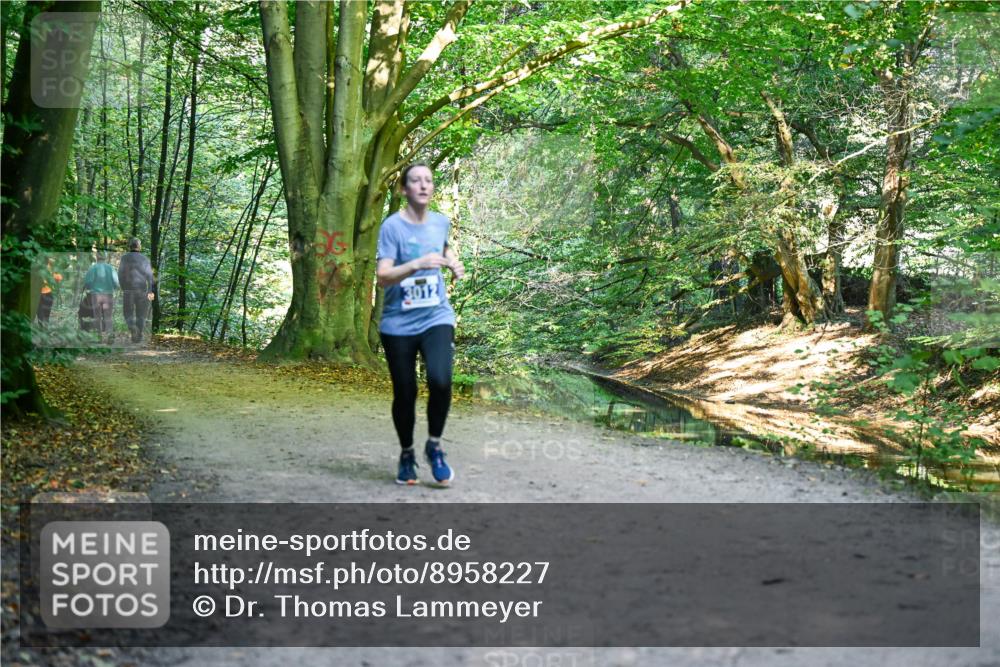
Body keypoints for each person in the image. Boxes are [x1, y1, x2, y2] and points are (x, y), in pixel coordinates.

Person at [375, 162, 465, 486]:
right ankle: (407, 452)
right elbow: (383, 276)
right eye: (416, 180)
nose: (424, 185)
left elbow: (445, 248)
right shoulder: (392, 228)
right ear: (404, 189)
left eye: (428, 180)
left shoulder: (441, 222)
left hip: (436, 316)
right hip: (398, 323)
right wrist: (416, 264)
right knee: (405, 392)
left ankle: (434, 446)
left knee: (440, 380)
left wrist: (454, 263)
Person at [118, 238, 156, 343]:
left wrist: (123, 287)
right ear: (139, 247)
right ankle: (138, 335)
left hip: (128, 290)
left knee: (127, 313)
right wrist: (151, 292)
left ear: (130, 246)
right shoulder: (145, 259)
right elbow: (150, 277)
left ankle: (133, 330)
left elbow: (120, 274)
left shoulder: (124, 258)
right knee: (141, 314)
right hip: (142, 290)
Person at [83, 251, 119, 343]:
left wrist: (89, 288)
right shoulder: (110, 268)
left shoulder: (92, 268)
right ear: (105, 257)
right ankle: (110, 337)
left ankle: (99, 338)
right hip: (108, 295)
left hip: (95, 295)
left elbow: (88, 283)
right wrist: (113, 288)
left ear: (96, 257)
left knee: (97, 317)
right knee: (108, 316)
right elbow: (116, 283)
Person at [36, 257, 63, 325]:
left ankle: (42, 325)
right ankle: (44, 325)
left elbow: (59, 277)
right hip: (45, 292)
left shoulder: (46, 267)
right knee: (44, 310)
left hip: (43, 292)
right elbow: (59, 278)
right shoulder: (48, 268)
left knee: (41, 310)